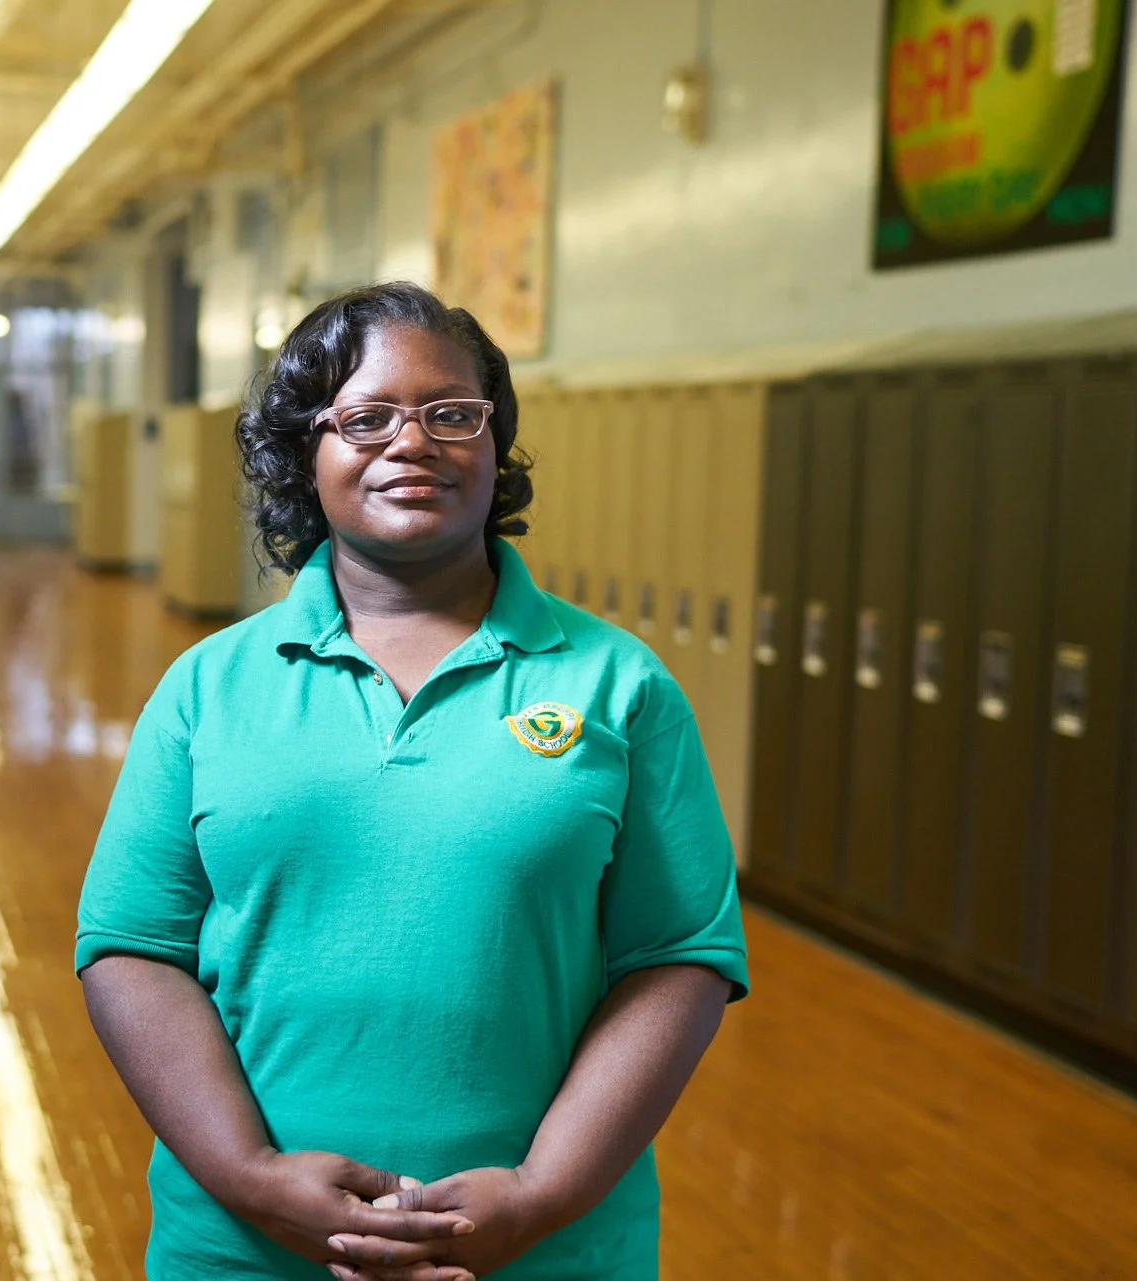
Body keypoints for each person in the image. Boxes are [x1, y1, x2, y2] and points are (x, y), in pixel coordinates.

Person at [76, 283, 748, 1280]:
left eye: (451, 414)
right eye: (365, 417)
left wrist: (542, 1194)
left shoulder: (617, 685)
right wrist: (252, 1176)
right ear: (306, 453)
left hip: (544, 1253)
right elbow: (132, 947)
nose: (412, 441)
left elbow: (679, 957)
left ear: (493, 443)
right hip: (245, 1250)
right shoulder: (207, 689)